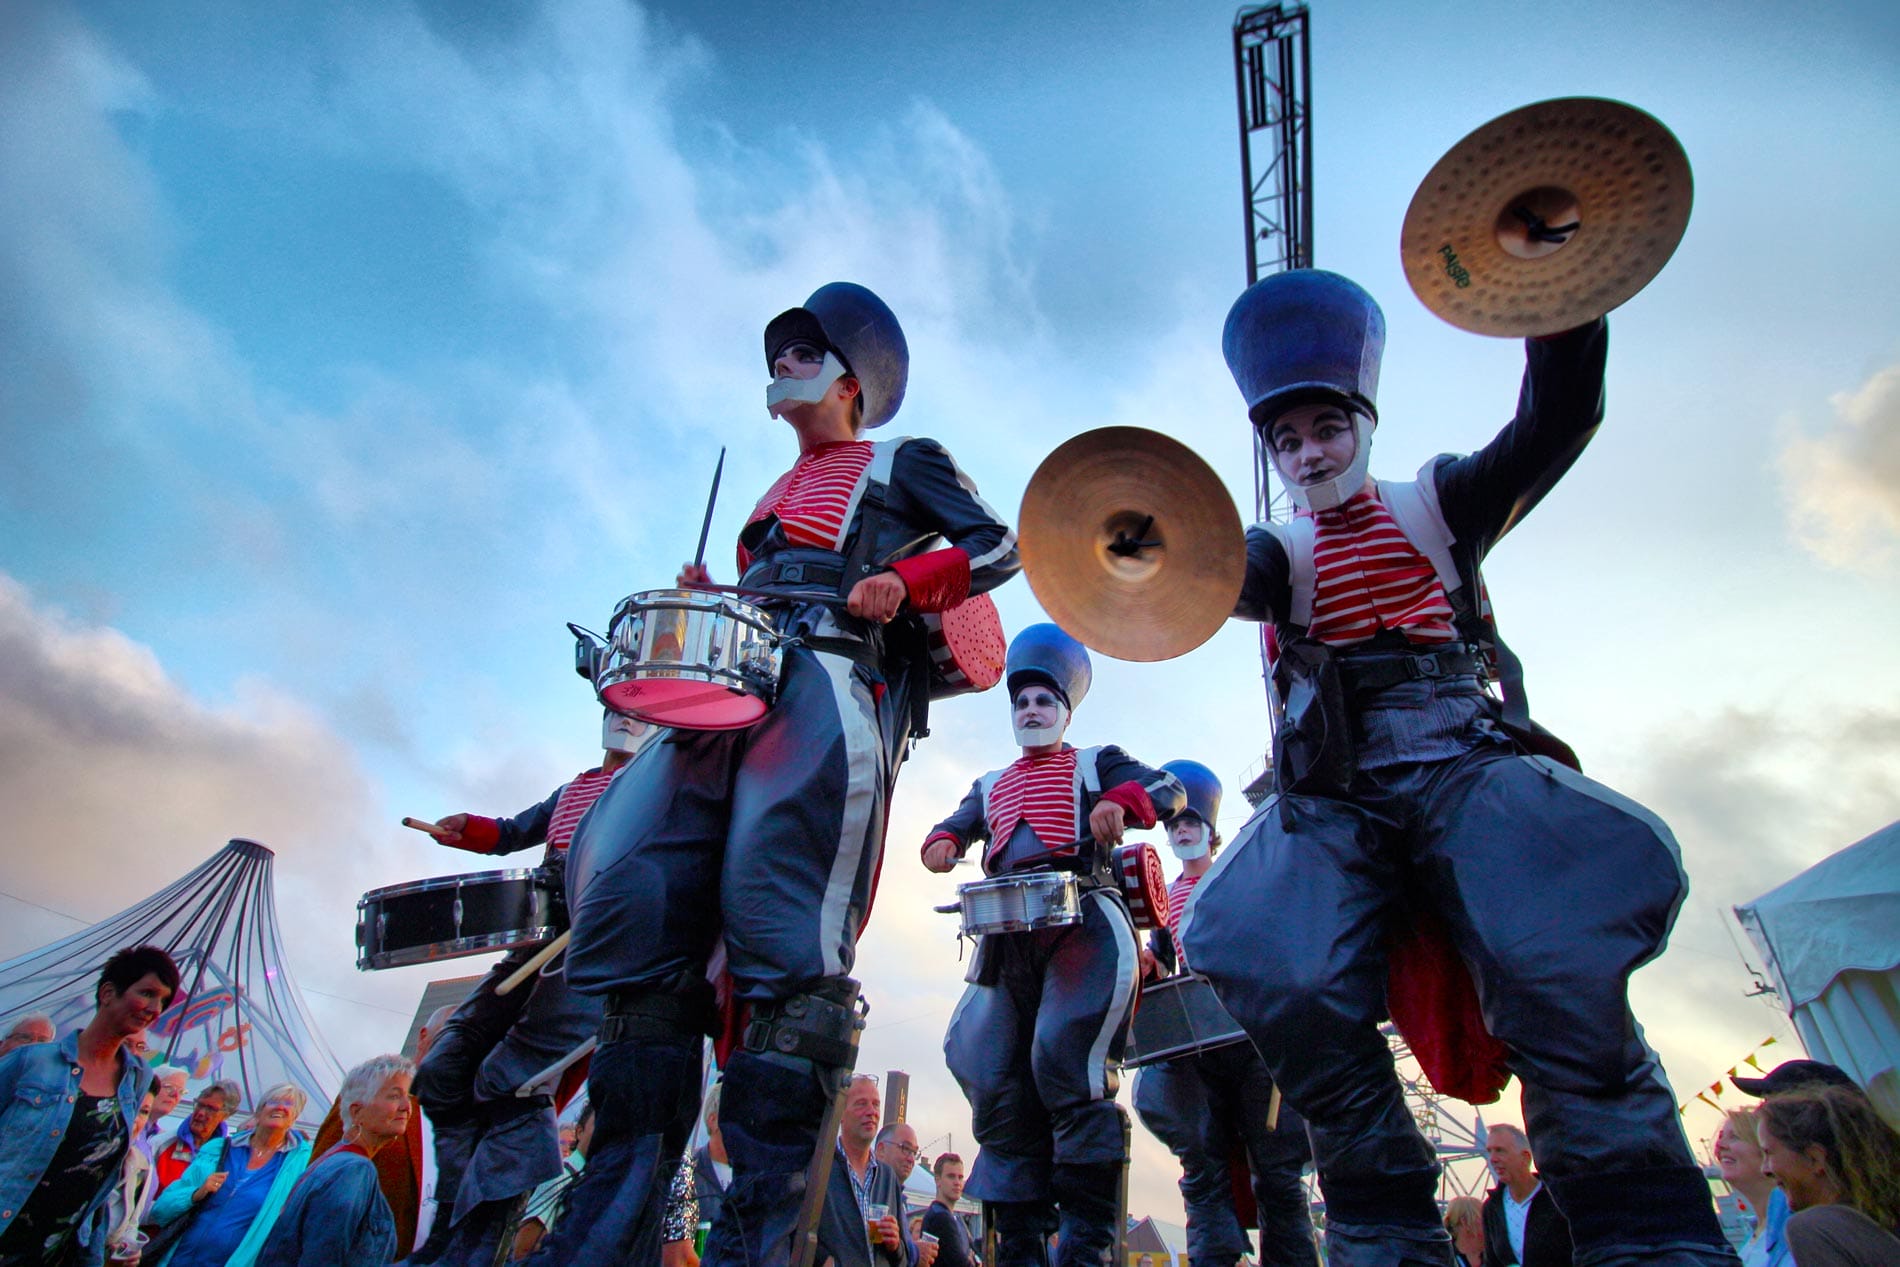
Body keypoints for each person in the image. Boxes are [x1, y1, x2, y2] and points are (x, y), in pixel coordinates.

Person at [1179, 269, 1736, 1267]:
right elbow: (1196, 573)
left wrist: (1564, 303)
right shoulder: (1273, 551)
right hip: (1335, 788)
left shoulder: (1439, 502)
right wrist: (1134, 535)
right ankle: (1383, 1221)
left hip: (1461, 759)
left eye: (1325, 428)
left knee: (1553, 948)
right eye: (1287, 441)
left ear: (1363, 422)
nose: (1308, 452)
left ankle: (1645, 1231)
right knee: (1261, 942)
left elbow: (1555, 422)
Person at [537, 281, 1020, 1267]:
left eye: (804, 353)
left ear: (849, 379)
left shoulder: (902, 459)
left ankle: (769, 1245)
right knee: (635, 905)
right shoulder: (763, 499)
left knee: (780, 934)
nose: (784, 366)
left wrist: (908, 579)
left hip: (830, 680)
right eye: (781, 352)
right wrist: (715, 597)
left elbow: (999, 545)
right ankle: (605, 1239)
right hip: (733, 690)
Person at [928, 624, 1184, 1267]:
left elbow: (1167, 789)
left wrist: (1123, 803)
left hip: (1081, 928)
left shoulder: (1096, 761)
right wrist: (945, 841)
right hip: (1006, 941)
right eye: (1022, 702)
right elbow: (954, 825)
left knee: (1066, 1062)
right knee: (987, 1066)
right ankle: (1018, 1246)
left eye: (1045, 701)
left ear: (1066, 712)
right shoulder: (989, 783)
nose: (1032, 710)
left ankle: (1087, 1246)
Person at [410, 712, 659, 1266]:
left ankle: (477, 1247)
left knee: (510, 1084)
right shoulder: (575, 787)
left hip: (591, 949)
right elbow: (510, 832)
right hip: (535, 942)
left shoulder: (656, 785)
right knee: (443, 1071)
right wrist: (466, 827)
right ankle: (452, 1224)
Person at [1132, 760, 1316, 1267]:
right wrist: (1151, 967)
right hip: (1195, 1043)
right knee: (1202, 1167)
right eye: (1175, 826)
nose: (1183, 831)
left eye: (1190, 823)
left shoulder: (1237, 877)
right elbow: (1165, 962)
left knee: (1277, 1171)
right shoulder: (1164, 900)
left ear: (1209, 832)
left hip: (1251, 1037)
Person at [0, 944, 178, 1267]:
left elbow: (100, 1180)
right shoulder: (32, 1062)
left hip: (60, 1253)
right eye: (148, 993)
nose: (155, 1007)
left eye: (163, 1000)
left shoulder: (137, 1079)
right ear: (108, 993)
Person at [255, 1055, 415, 1267]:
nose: (406, 1106)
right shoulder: (354, 1170)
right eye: (394, 1096)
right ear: (357, 1112)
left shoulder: (334, 1161)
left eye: (408, 1096)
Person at [146, 1084, 313, 1267]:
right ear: (259, 1111)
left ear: (295, 1117)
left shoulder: (301, 1163)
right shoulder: (218, 1148)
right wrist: (196, 1194)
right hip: (179, 1259)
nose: (280, 1107)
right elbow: (162, 1208)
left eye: (289, 1104)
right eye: (273, 1102)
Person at [1756, 1085, 1900, 1266]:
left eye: (1768, 1153)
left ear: (1814, 1158)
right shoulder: (1878, 1224)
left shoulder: (1815, 1228)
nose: (1764, 1169)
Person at [1479, 1125, 1571, 1267]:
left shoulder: (1557, 1198)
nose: (1493, 1159)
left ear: (1525, 1157)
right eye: (1489, 1151)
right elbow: (1491, 1262)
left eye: (1500, 1151)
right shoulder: (1492, 1208)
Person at [512, 1104, 593, 1260]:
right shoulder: (562, 1176)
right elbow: (524, 1249)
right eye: (598, 1122)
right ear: (580, 1132)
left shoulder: (595, 1178)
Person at [1713, 1110, 1787, 1267]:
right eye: (1720, 1136)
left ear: (1765, 1150)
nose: (1720, 1145)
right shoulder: (1752, 1235)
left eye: (1735, 1137)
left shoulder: (1792, 1226)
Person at [103, 1083, 161, 1263]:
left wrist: (130, 1254)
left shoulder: (142, 1166)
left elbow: (132, 1224)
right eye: (131, 1108)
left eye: (144, 1111)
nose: (135, 1118)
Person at [151, 1082, 240, 1197]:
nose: (201, 1113)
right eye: (199, 1105)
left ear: (227, 1115)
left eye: (211, 1109)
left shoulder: (227, 1155)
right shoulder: (162, 1143)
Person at [921, 1154, 976, 1267]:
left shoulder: (955, 1218)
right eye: (951, 1176)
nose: (957, 1182)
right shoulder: (939, 1217)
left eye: (960, 1177)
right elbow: (960, 1263)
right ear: (938, 1180)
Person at [145, 1068, 189, 1141]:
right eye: (169, 1087)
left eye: (181, 1092)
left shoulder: (162, 1139)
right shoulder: (126, 1125)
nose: (175, 1095)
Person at [1443, 1196, 1485, 1267]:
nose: (1491, 1223)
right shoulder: (1443, 1257)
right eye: (1485, 1218)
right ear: (1464, 1221)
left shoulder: (1497, 1255)